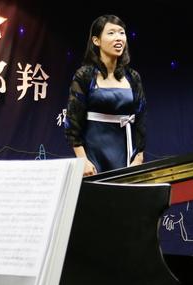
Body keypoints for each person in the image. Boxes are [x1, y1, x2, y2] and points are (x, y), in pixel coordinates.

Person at [65, 14, 147, 176]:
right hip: (94, 155)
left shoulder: (133, 77)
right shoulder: (85, 75)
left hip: (126, 153)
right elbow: (72, 123)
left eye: (121, 33)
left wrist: (138, 158)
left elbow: (140, 120)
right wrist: (83, 160)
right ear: (96, 41)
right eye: (111, 33)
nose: (119, 38)